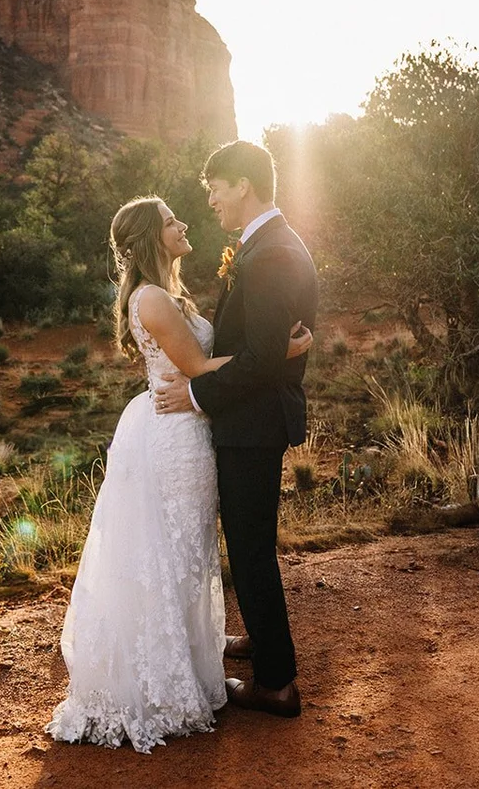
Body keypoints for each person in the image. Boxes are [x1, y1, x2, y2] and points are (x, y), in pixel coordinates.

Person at [45, 195, 312, 753]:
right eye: (171, 221)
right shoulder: (154, 299)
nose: (183, 222)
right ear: (150, 238)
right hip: (173, 434)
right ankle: (162, 674)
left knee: (186, 547)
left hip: (190, 428)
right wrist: (276, 354)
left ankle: (192, 650)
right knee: (171, 549)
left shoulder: (172, 294)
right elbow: (195, 368)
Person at [154, 140, 318, 719]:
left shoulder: (271, 253)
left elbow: (264, 358)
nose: (212, 200)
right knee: (248, 544)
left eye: (216, 188)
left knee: (250, 550)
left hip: (253, 422)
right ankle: (261, 639)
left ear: (242, 184)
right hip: (249, 419)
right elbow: (270, 347)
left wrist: (196, 393)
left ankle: (276, 683)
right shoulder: (263, 246)